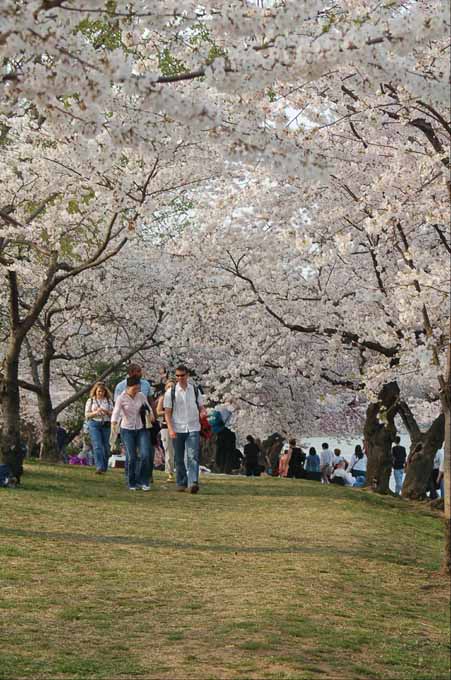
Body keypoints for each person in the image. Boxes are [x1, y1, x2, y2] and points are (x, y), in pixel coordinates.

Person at [164, 365, 206, 494]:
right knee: (179, 458)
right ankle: (181, 482)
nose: (180, 378)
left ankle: (193, 482)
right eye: (177, 376)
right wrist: (170, 429)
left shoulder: (194, 390)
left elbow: (201, 406)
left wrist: (203, 412)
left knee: (192, 455)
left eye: (182, 375)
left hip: (193, 426)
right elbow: (167, 413)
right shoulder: (170, 392)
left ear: (187, 375)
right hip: (177, 427)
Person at [111, 376, 154, 491]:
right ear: (128, 387)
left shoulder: (141, 396)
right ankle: (131, 482)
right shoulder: (121, 398)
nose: (136, 391)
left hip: (141, 428)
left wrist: (151, 416)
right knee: (132, 457)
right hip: (127, 429)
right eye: (134, 389)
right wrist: (114, 423)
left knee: (145, 455)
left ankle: (144, 481)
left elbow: (148, 408)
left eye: (138, 388)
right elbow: (116, 411)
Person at [85, 383, 113, 474]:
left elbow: (113, 413)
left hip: (106, 424)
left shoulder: (108, 401)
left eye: (102, 391)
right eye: (99, 391)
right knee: (97, 446)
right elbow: (87, 414)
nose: (100, 393)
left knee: (106, 447)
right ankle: (99, 467)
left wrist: (106, 411)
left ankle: (104, 466)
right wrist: (96, 412)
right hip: (94, 423)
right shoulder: (91, 401)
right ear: (95, 391)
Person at [156, 380, 175, 481]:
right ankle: (170, 472)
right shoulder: (162, 398)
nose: (170, 389)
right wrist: (167, 411)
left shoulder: (178, 398)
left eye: (172, 386)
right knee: (169, 450)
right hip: (166, 426)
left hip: (178, 425)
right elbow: (158, 412)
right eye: (169, 387)